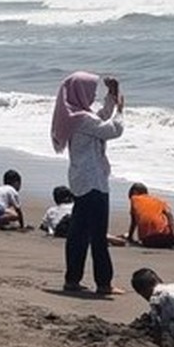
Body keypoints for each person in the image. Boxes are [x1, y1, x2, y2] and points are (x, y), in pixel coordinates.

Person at [52, 71, 124, 296]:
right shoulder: (82, 119)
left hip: (82, 180)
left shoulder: (75, 116)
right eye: (91, 90)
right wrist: (121, 110)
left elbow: (100, 118)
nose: (93, 94)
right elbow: (112, 129)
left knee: (79, 233)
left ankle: (72, 279)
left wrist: (111, 96)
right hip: (93, 182)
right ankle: (104, 283)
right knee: (97, 234)